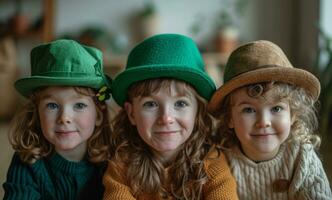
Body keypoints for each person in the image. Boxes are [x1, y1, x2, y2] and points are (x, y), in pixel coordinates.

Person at [103, 33, 238, 200]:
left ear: (198, 112)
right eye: (150, 104)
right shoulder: (121, 166)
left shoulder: (212, 163)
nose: (166, 118)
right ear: (131, 113)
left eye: (180, 104)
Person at [208, 40, 332, 199]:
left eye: (276, 108)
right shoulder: (222, 158)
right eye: (249, 110)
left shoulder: (301, 156)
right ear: (229, 117)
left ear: (292, 114)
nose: (263, 122)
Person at [3, 39, 112, 200]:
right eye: (52, 105)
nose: (64, 118)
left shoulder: (112, 161)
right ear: (36, 113)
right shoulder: (28, 161)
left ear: (99, 115)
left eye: (79, 105)